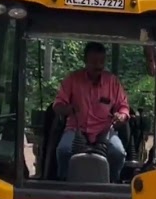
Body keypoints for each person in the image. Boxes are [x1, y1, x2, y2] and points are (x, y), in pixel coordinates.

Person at [52, 42, 130, 183]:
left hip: (104, 130)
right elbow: (58, 105)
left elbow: (124, 107)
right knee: (63, 150)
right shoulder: (72, 79)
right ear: (85, 61)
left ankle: (112, 183)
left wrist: (121, 115)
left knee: (118, 152)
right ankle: (63, 182)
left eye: (101, 61)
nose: (98, 66)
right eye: (94, 62)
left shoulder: (113, 82)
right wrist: (68, 109)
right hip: (76, 129)